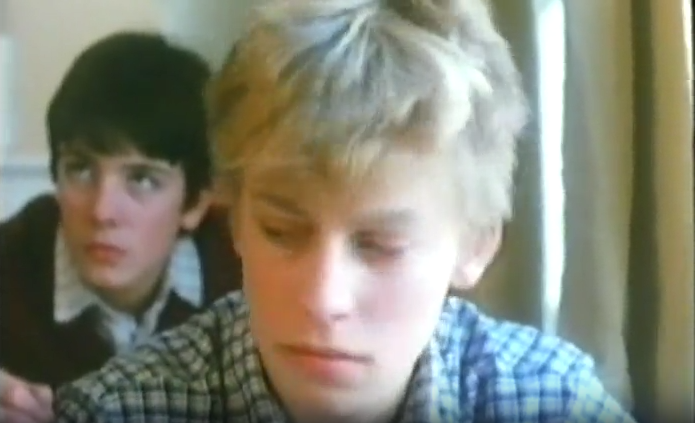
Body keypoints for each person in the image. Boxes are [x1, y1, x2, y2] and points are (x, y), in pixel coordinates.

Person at [53, 1, 635, 422]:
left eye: (380, 246)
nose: (322, 298)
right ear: (235, 219)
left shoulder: (551, 400)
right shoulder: (119, 409)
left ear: (477, 243)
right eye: (281, 231)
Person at [0, 32, 242, 422]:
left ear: (196, 203)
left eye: (142, 179)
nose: (102, 211)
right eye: (80, 169)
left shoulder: (246, 278)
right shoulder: (11, 263)